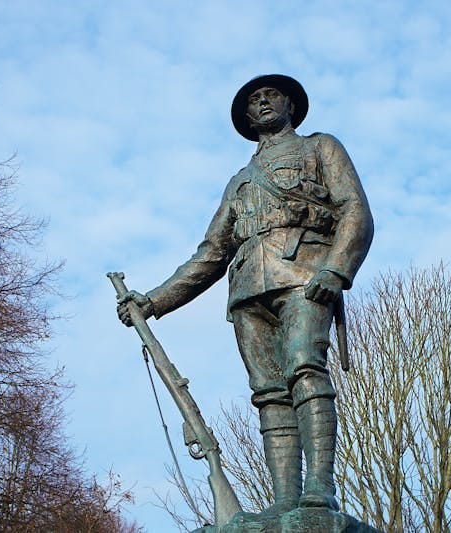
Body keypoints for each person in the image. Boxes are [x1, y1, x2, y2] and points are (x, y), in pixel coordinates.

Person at [117, 74, 373, 514]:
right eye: (254, 100)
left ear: (291, 105)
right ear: (247, 119)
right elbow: (212, 253)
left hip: (304, 275)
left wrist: (337, 269)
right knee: (269, 394)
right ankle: (286, 501)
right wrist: (154, 301)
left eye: (271, 95)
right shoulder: (239, 182)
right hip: (247, 292)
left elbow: (355, 210)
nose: (262, 102)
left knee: (305, 371)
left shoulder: (320, 147)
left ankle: (318, 490)